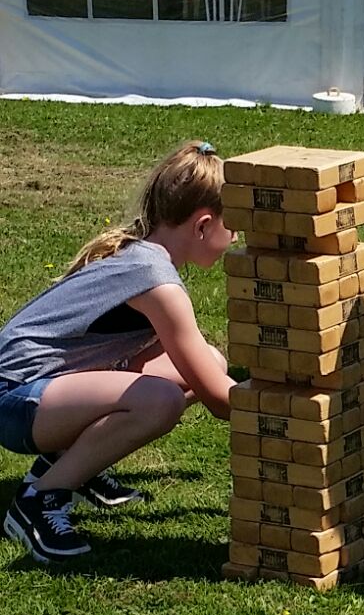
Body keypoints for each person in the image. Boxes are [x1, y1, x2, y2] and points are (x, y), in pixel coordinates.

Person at [0, 141, 235, 565]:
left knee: (210, 361)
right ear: (202, 226)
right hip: (13, 401)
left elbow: (203, 370)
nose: (235, 239)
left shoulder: (143, 255)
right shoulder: (157, 281)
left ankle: (73, 464)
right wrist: (291, 403)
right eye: (232, 226)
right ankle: (37, 503)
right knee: (159, 401)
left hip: (37, 390)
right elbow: (220, 399)